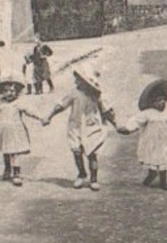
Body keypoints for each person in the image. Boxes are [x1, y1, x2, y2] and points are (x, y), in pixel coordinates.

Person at [43, 63, 118, 191]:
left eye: (78, 79)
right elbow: (61, 105)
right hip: (76, 126)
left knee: (92, 153)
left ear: (86, 81)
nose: (76, 81)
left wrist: (116, 125)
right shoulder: (74, 92)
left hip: (92, 126)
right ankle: (81, 173)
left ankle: (94, 179)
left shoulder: (97, 96)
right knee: (77, 151)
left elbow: (107, 111)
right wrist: (49, 116)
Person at [117, 78, 167, 191]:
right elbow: (136, 121)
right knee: (151, 160)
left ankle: (163, 181)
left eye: (163, 100)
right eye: (157, 101)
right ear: (151, 103)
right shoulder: (147, 114)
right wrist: (127, 129)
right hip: (151, 142)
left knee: (163, 162)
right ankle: (151, 174)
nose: (161, 103)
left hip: (165, 142)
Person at [0, 75, 45, 186]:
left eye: (12, 91)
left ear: (17, 92)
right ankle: (7, 168)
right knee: (6, 151)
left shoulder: (19, 103)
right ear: (2, 92)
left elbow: (30, 111)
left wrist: (42, 117)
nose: (9, 93)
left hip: (16, 131)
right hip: (3, 131)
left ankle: (16, 173)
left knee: (15, 152)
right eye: (6, 91)